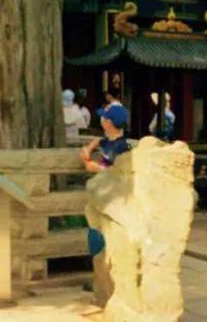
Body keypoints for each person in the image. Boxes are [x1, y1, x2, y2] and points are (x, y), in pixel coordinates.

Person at [81, 103, 130, 312]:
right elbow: (93, 148)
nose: (101, 120)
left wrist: (94, 166)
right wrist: (89, 148)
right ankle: (99, 287)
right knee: (95, 242)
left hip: (112, 203)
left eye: (104, 118)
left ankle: (109, 293)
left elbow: (117, 171)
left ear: (109, 122)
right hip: (98, 200)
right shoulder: (106, 141)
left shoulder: (122, 147)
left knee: (106, 247)